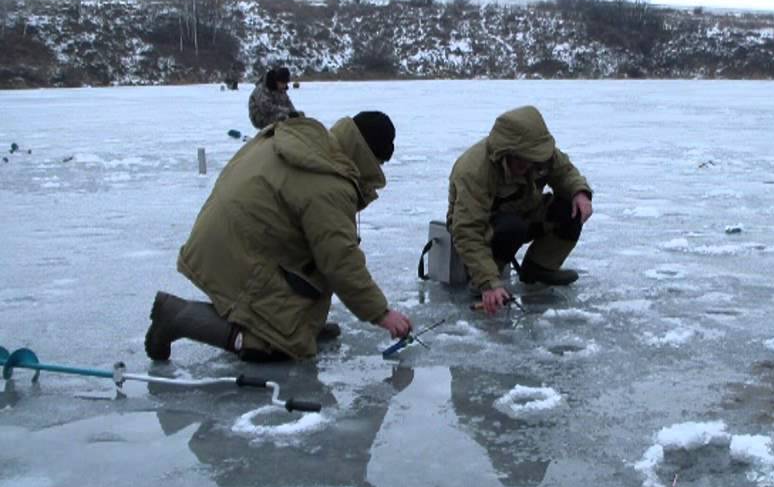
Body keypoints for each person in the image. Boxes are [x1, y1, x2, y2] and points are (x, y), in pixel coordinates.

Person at [145, 111, 412, 363]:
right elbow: (339, 260)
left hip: (225, 235)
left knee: (306, 280)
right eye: (378, 163)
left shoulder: (308, 143)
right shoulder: (329, 183)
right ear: (367, 156)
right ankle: (177, 316)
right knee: (274, 348)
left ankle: (298, 327)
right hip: (238, 250)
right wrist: (382, 314)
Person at [447, 105, 593, 315]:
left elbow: (564, 172)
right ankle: (484, 278)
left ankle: (539, 268)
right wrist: (489, 282)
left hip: (526, 211)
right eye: (525, 160)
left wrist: (579, 192)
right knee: (511, 228)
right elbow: (467, 230)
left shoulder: (540, 153)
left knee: (569, 209)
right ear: (507, 153)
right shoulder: (474, 171)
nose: (532, 164)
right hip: (488, 226)